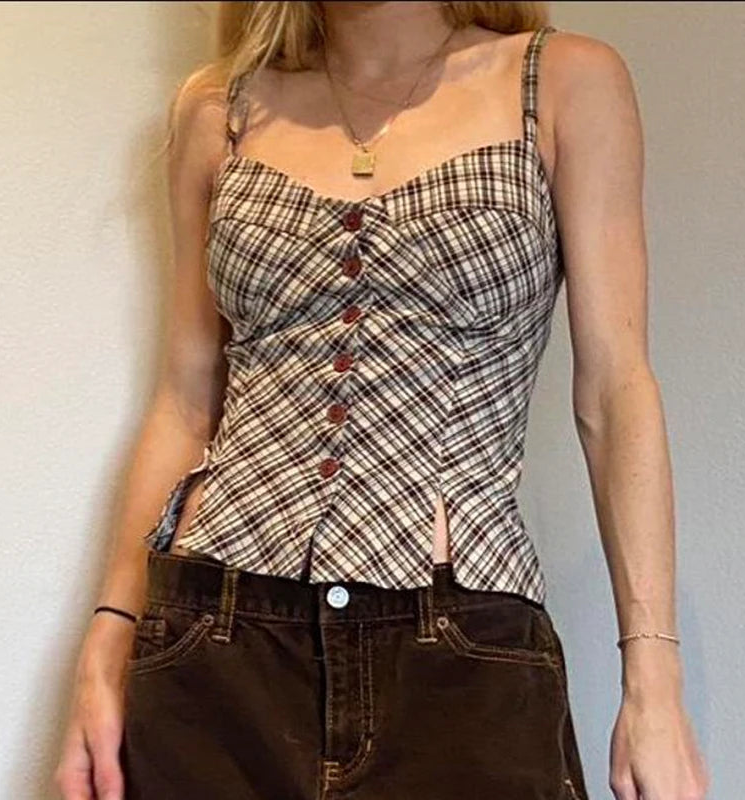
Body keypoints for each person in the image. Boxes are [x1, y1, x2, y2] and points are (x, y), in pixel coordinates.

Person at [54, 2, 710, 799]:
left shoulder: (564, 82)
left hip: (460, 642)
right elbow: (186, 404)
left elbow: (615, 391)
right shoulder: (217, 111)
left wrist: (654, 679)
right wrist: (109, 639)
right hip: (213, 638)